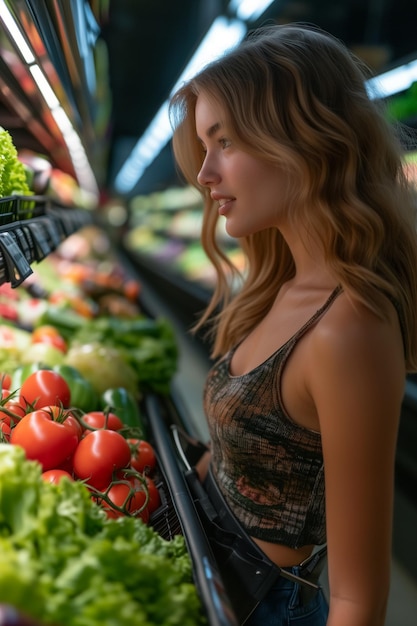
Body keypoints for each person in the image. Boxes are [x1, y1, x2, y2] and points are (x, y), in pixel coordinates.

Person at [169, 23, 417, 626]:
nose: (205, 175)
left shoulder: (347, 329)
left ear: (300, 140)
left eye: (223, 142)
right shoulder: (277, 291)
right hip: (215, 573)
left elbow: (360, 599)